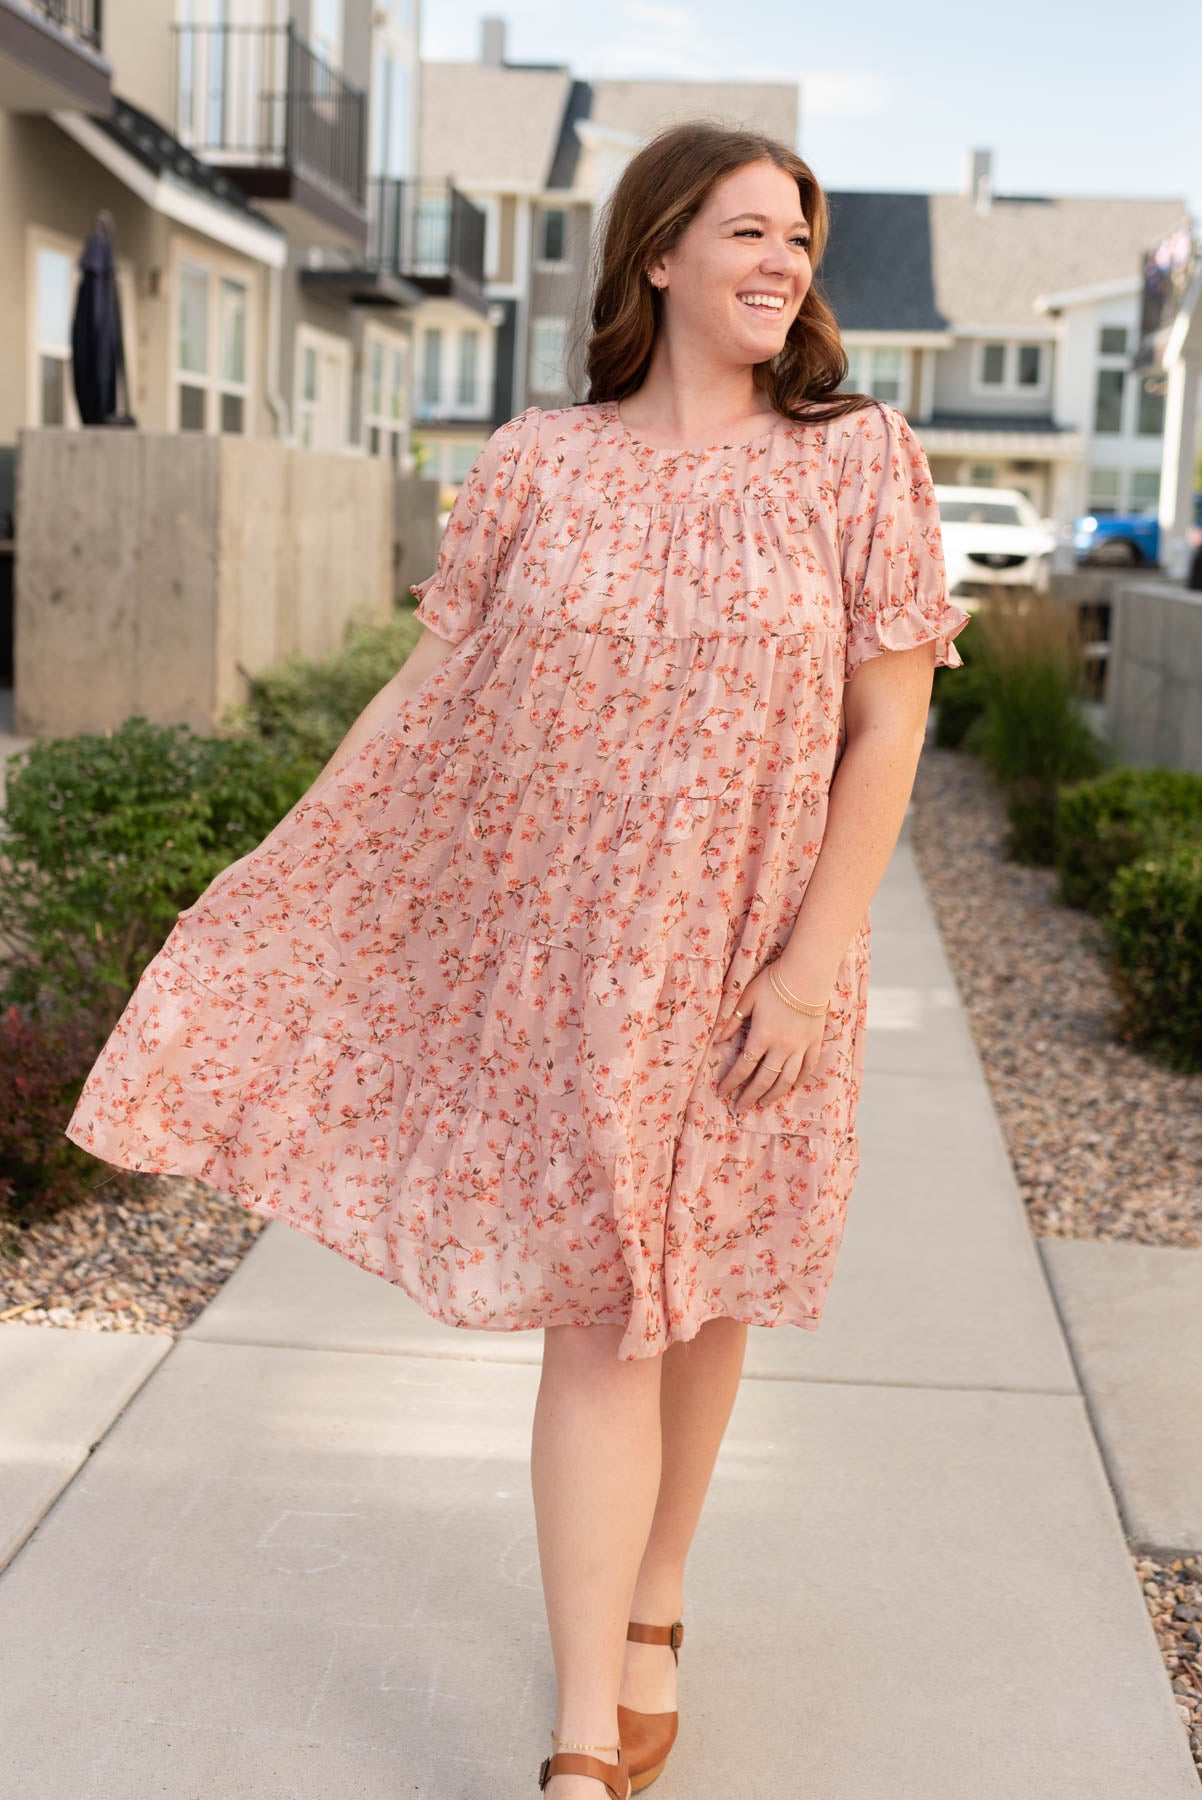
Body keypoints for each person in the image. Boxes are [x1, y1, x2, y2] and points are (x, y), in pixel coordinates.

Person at [65, 121, 970, 1798]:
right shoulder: (542, 460)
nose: (784, 265)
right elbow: (438, 692)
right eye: (752, 233)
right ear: (656, 254)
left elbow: (888, 725)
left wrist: (813, 958)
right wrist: (297, 853)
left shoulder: (856, 460)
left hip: (755, 954)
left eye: (802, 244)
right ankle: (575, 1734)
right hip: (575, 959)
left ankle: (657, 1590)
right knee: (601, 1313)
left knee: (696, 1296)